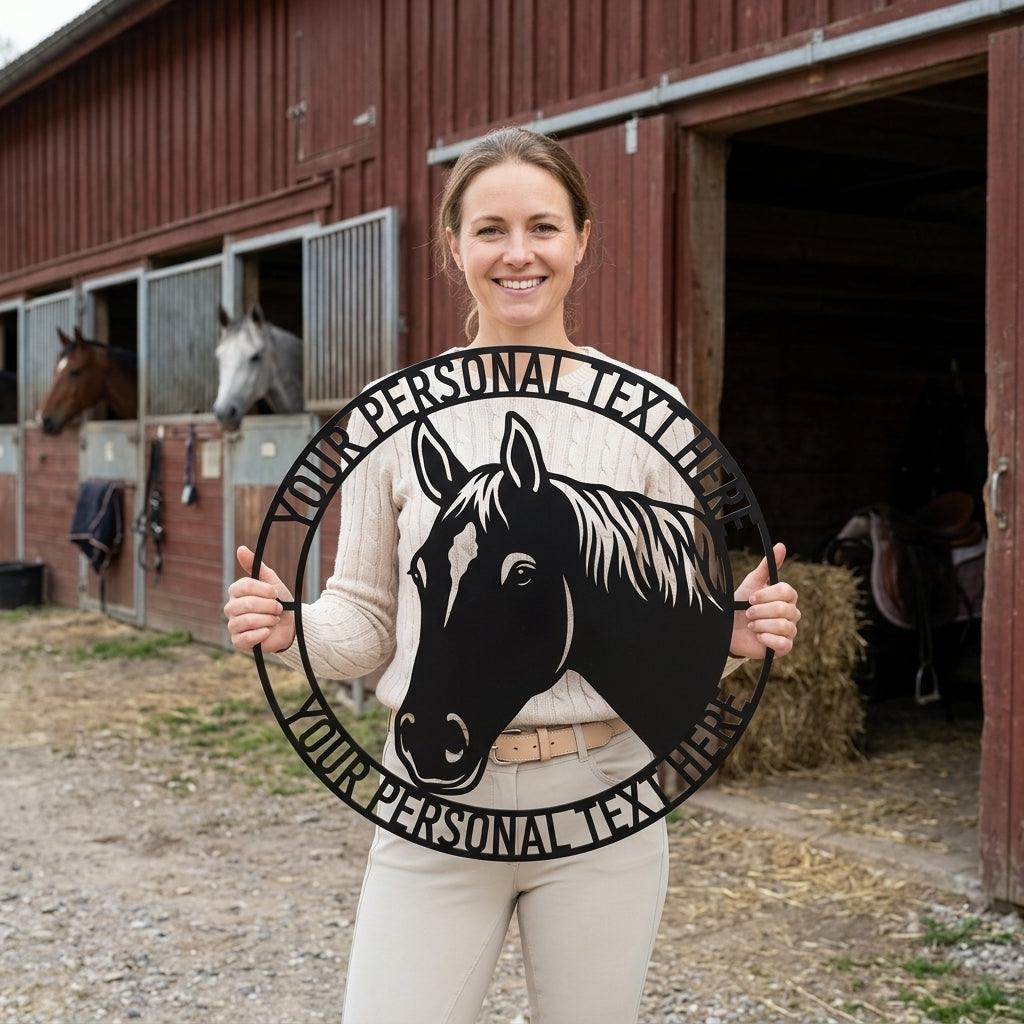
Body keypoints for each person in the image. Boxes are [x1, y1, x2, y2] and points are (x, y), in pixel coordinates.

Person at [224, 126, 801, 1024]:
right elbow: (370, 620)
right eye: (490, 229)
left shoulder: (653, 418)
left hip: (601, 798)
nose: (518, 253)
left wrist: (727, 636)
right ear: (453, 246)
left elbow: (667, 639)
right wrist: (293, 628)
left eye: (542, 226)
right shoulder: (397, 418)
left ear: (581, 240)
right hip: (432, 810)